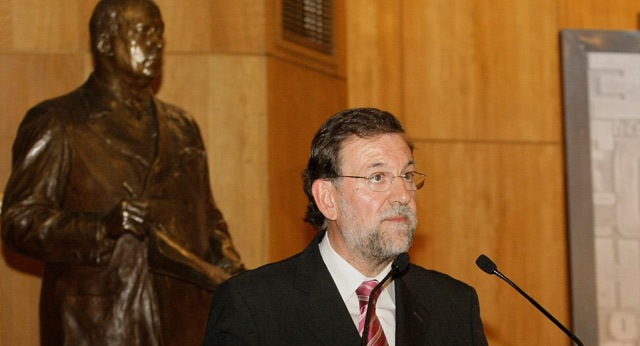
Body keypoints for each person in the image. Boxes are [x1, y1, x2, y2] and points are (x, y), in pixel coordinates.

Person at [1, 0, 244, 345]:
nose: (157, 43)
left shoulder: (182, 126)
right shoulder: (59, 122)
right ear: (104, 41)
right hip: (97, 323)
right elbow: (18, 222)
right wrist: (100, 228)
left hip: (182, 319)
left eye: (160, 33)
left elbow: (208, 217)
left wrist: (232, 272)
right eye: (144, 32)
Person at [202, 107, 488, 345]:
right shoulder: (254, 306)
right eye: (378, 177)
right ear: (328, 199)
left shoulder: (454, 305)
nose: (403, 195)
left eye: (408, 175)